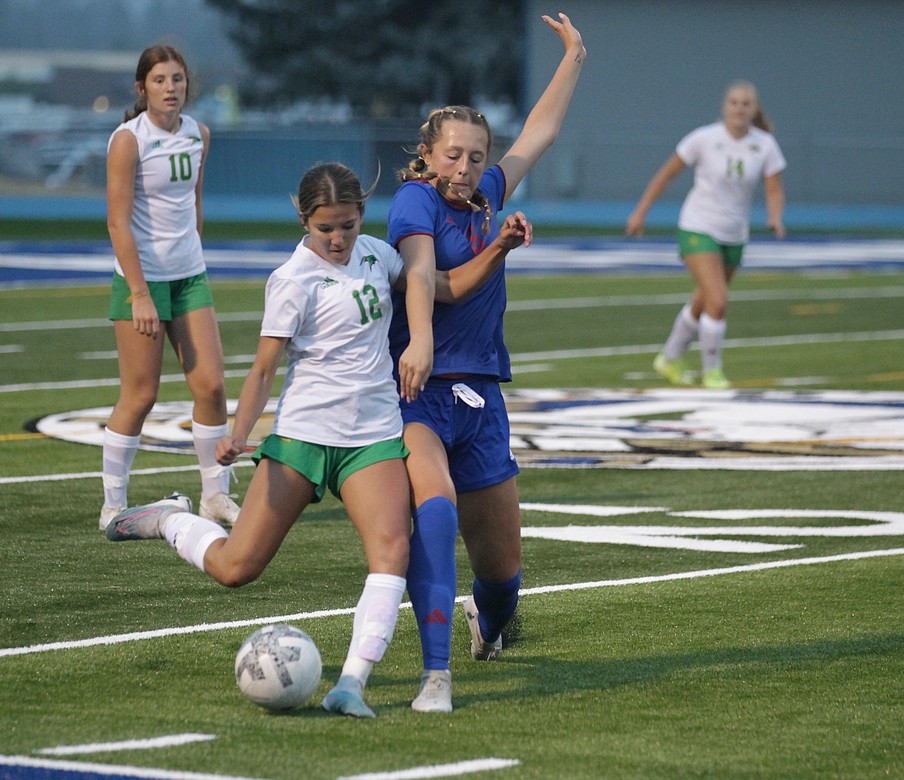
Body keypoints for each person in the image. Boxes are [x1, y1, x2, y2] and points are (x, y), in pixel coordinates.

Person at [105, 162, 532, 718]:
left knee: (391, 555)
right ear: (303, 218)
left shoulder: (379, 255)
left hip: (373, 437)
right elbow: (263, 371)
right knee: (238, 568)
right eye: (325, 228)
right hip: (304, 436)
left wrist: (498, 247)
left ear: (362, 216)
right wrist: (239, 434)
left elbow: (440, 286)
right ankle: (167, 518)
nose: (337, 239)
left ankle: (351, 684)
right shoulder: (292, 279)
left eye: (348, 225)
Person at [385, 12, 586, 714]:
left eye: (475, 157)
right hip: (418, 391)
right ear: (427, 154)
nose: (464, 167)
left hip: (481, 399)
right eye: (452, 155)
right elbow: (426, 281)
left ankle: (485, 622)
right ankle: (434, 676)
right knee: (434, 514)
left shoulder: (490, 197)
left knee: (503, 583)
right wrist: (421, 339)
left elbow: (540, 134)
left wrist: (574, 58)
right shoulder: (413, 201)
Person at [99, 44, 239, 531]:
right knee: (140, 395)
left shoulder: (199, 134)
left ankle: (215, 497)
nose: (170, 88)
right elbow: (118, 223)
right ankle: (113, 506)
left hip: (189, 277)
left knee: (213, 386)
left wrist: (192, 256)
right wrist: (139, 293)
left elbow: (193, 206)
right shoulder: (127, 140)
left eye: (177, 79)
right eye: (159, 80)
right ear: (142, 88)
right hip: (142, 282)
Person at [625, 80, 787, 390]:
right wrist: (641, 211)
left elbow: (774, 187)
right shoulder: (704, 138)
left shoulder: (764, 144)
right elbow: (667, 174)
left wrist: (775, 216)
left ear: (754, 110)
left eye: (746, 104)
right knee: (719, 299)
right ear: (724, 107)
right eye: (734, 102)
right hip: (698, 226)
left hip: (734, 234)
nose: (739, 108)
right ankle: (712, 370)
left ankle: (669, 357)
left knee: (705, 301)